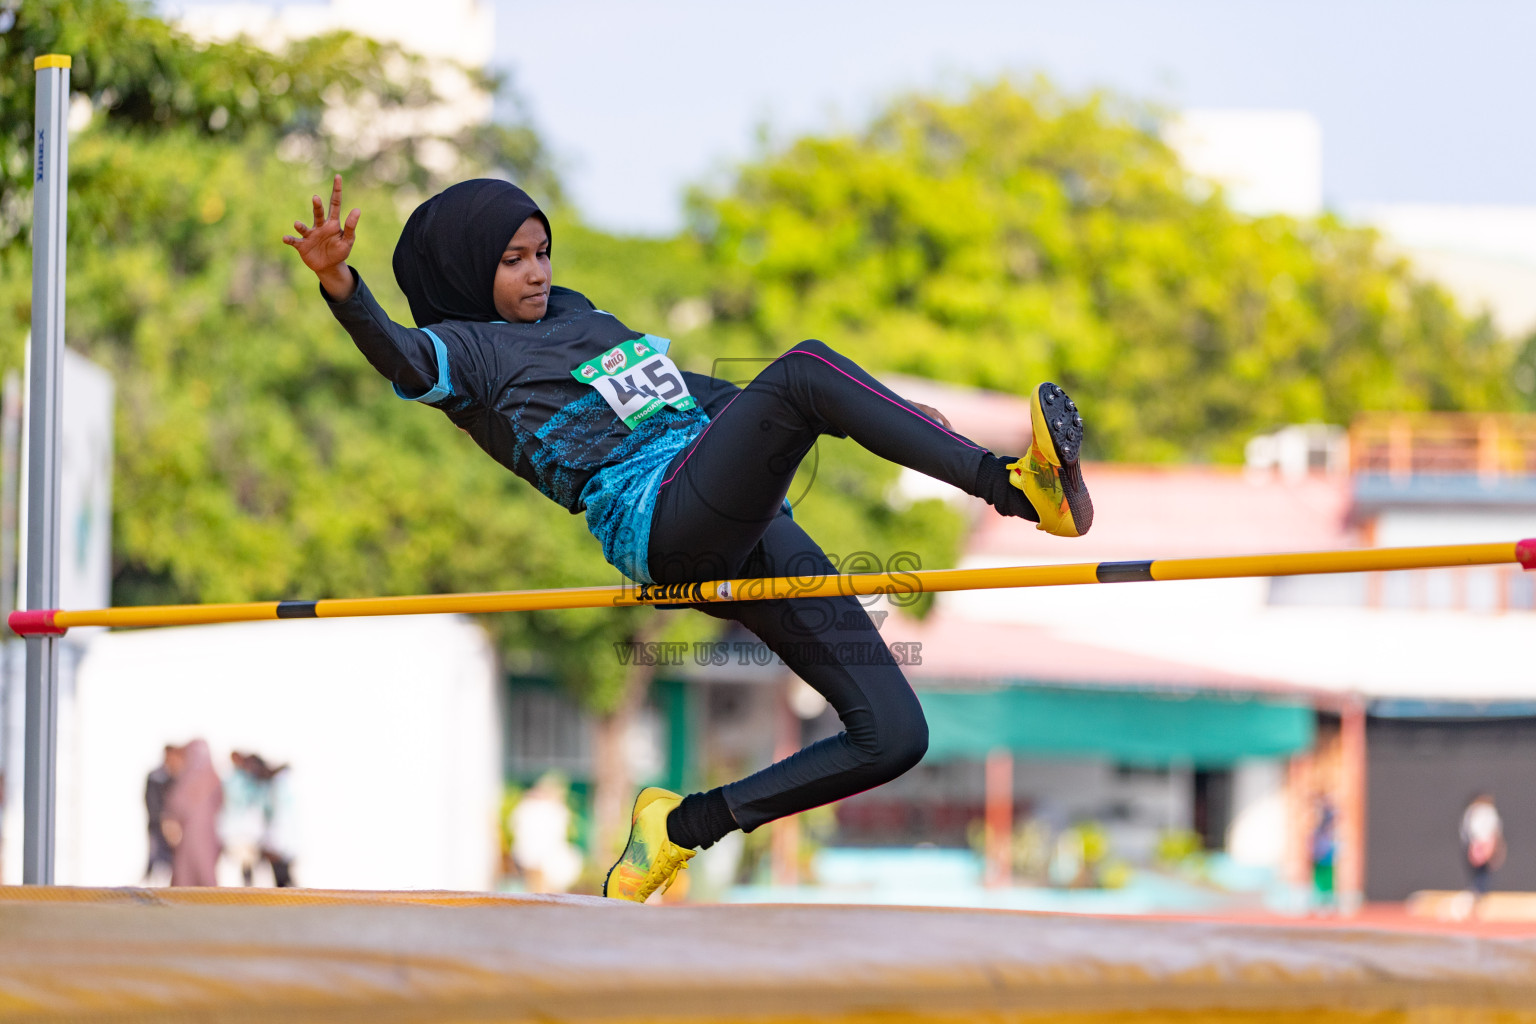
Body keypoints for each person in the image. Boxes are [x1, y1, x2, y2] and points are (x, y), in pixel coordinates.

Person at [284, 175, 1093, 902]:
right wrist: (339, 284)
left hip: (726, 501)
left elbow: (700, 397)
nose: (538, 273)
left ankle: (680, 828)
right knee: (804, 369)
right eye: (512, 261)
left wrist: (890, 419)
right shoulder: (470, 355)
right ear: (465, 272)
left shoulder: (575, 314)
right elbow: (399, 353)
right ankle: (1016, 488)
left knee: (893, 736)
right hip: (662, 521)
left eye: (542, 252)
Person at [509, 773, 583, 893]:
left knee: (540, 890)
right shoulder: (540, 808)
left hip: (541, 855)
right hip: (539, 854)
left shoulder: (536, 807)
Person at [163, 739, 223, 887]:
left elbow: (177, 805)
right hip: (206, 833)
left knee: (194, 871)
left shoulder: (191, 778)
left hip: (194, 834)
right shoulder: (212, 778)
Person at [143, 744, 183, 884]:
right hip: (158, 828)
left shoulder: (178, 777)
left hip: (174, 832)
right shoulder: (156, 777)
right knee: (159, 861)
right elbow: (152, 803)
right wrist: (164, 821)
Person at [1461, 792, 1505, 902]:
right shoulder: (1475, 811)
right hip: (1478, 844)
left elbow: (1494, 831)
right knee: (1478, 871)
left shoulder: (1485, 812)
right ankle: (1477, 892)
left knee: (1482, 872)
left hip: (1481, 844)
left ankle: (1479, 892)